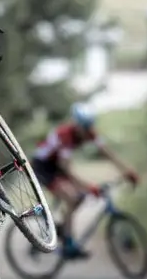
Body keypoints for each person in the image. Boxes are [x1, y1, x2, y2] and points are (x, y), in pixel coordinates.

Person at [31, 103, 139, 259]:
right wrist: (89, 186)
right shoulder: (66, 135)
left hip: (58, 165)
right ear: (76, 125)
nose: (86, 131)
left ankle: (62, 228)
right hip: (43, 166)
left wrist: (128, 172)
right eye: (84, 127)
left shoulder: (89, 132)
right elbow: (65, 168)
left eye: (89, 127)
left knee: (79, 198)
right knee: (72, 196)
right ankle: (68, 242)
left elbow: (107, 153)